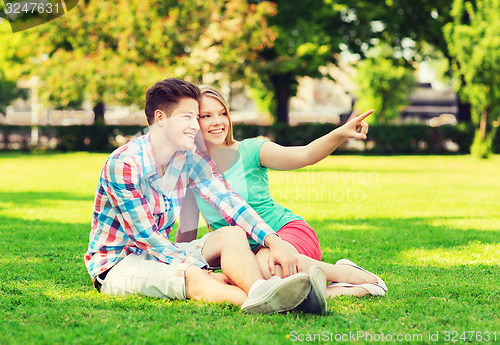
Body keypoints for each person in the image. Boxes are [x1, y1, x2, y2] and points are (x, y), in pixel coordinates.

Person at [84, 78, 324, 314]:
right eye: (187, 117)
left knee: (232, 233)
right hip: (119, 263)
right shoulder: (124, 164)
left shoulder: (189, 159)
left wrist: (273, 241)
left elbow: (231, 203)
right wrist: (203, 269)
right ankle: (286, 302)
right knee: (193, 275)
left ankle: (262, 289)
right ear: (161, 119)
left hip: (159, 254)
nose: (196, 126)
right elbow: (146, 237)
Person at [177, 85, 388, 298]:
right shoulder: (190, 171)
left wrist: (340, 133)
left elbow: (304, 154)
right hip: (245, 253)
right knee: (254, 278)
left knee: (265, 272)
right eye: (206, 115)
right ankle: (329, 291)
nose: (218, 121)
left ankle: (348, 274)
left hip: (284, 233)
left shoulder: (251, 150)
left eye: (222, 113)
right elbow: (186, 236)